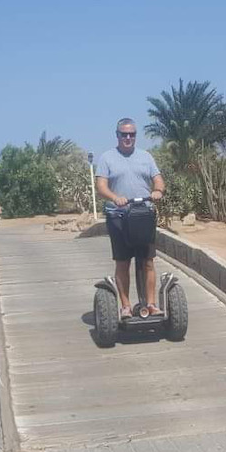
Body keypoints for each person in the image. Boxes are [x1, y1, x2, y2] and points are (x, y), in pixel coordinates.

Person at [95, 118, 166, 318]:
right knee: (123, 261)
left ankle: (151, 304)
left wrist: (158, 190)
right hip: (118, 216)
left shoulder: (146, 157)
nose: (128, 138)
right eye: (124, 134)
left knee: (148, 261)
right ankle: (125, 306)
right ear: (117, 135)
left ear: (135, 135)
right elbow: (101, 187)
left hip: (143, 215)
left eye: (132, 134)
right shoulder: (107, 158)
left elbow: (158, 179)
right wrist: (115, 197)